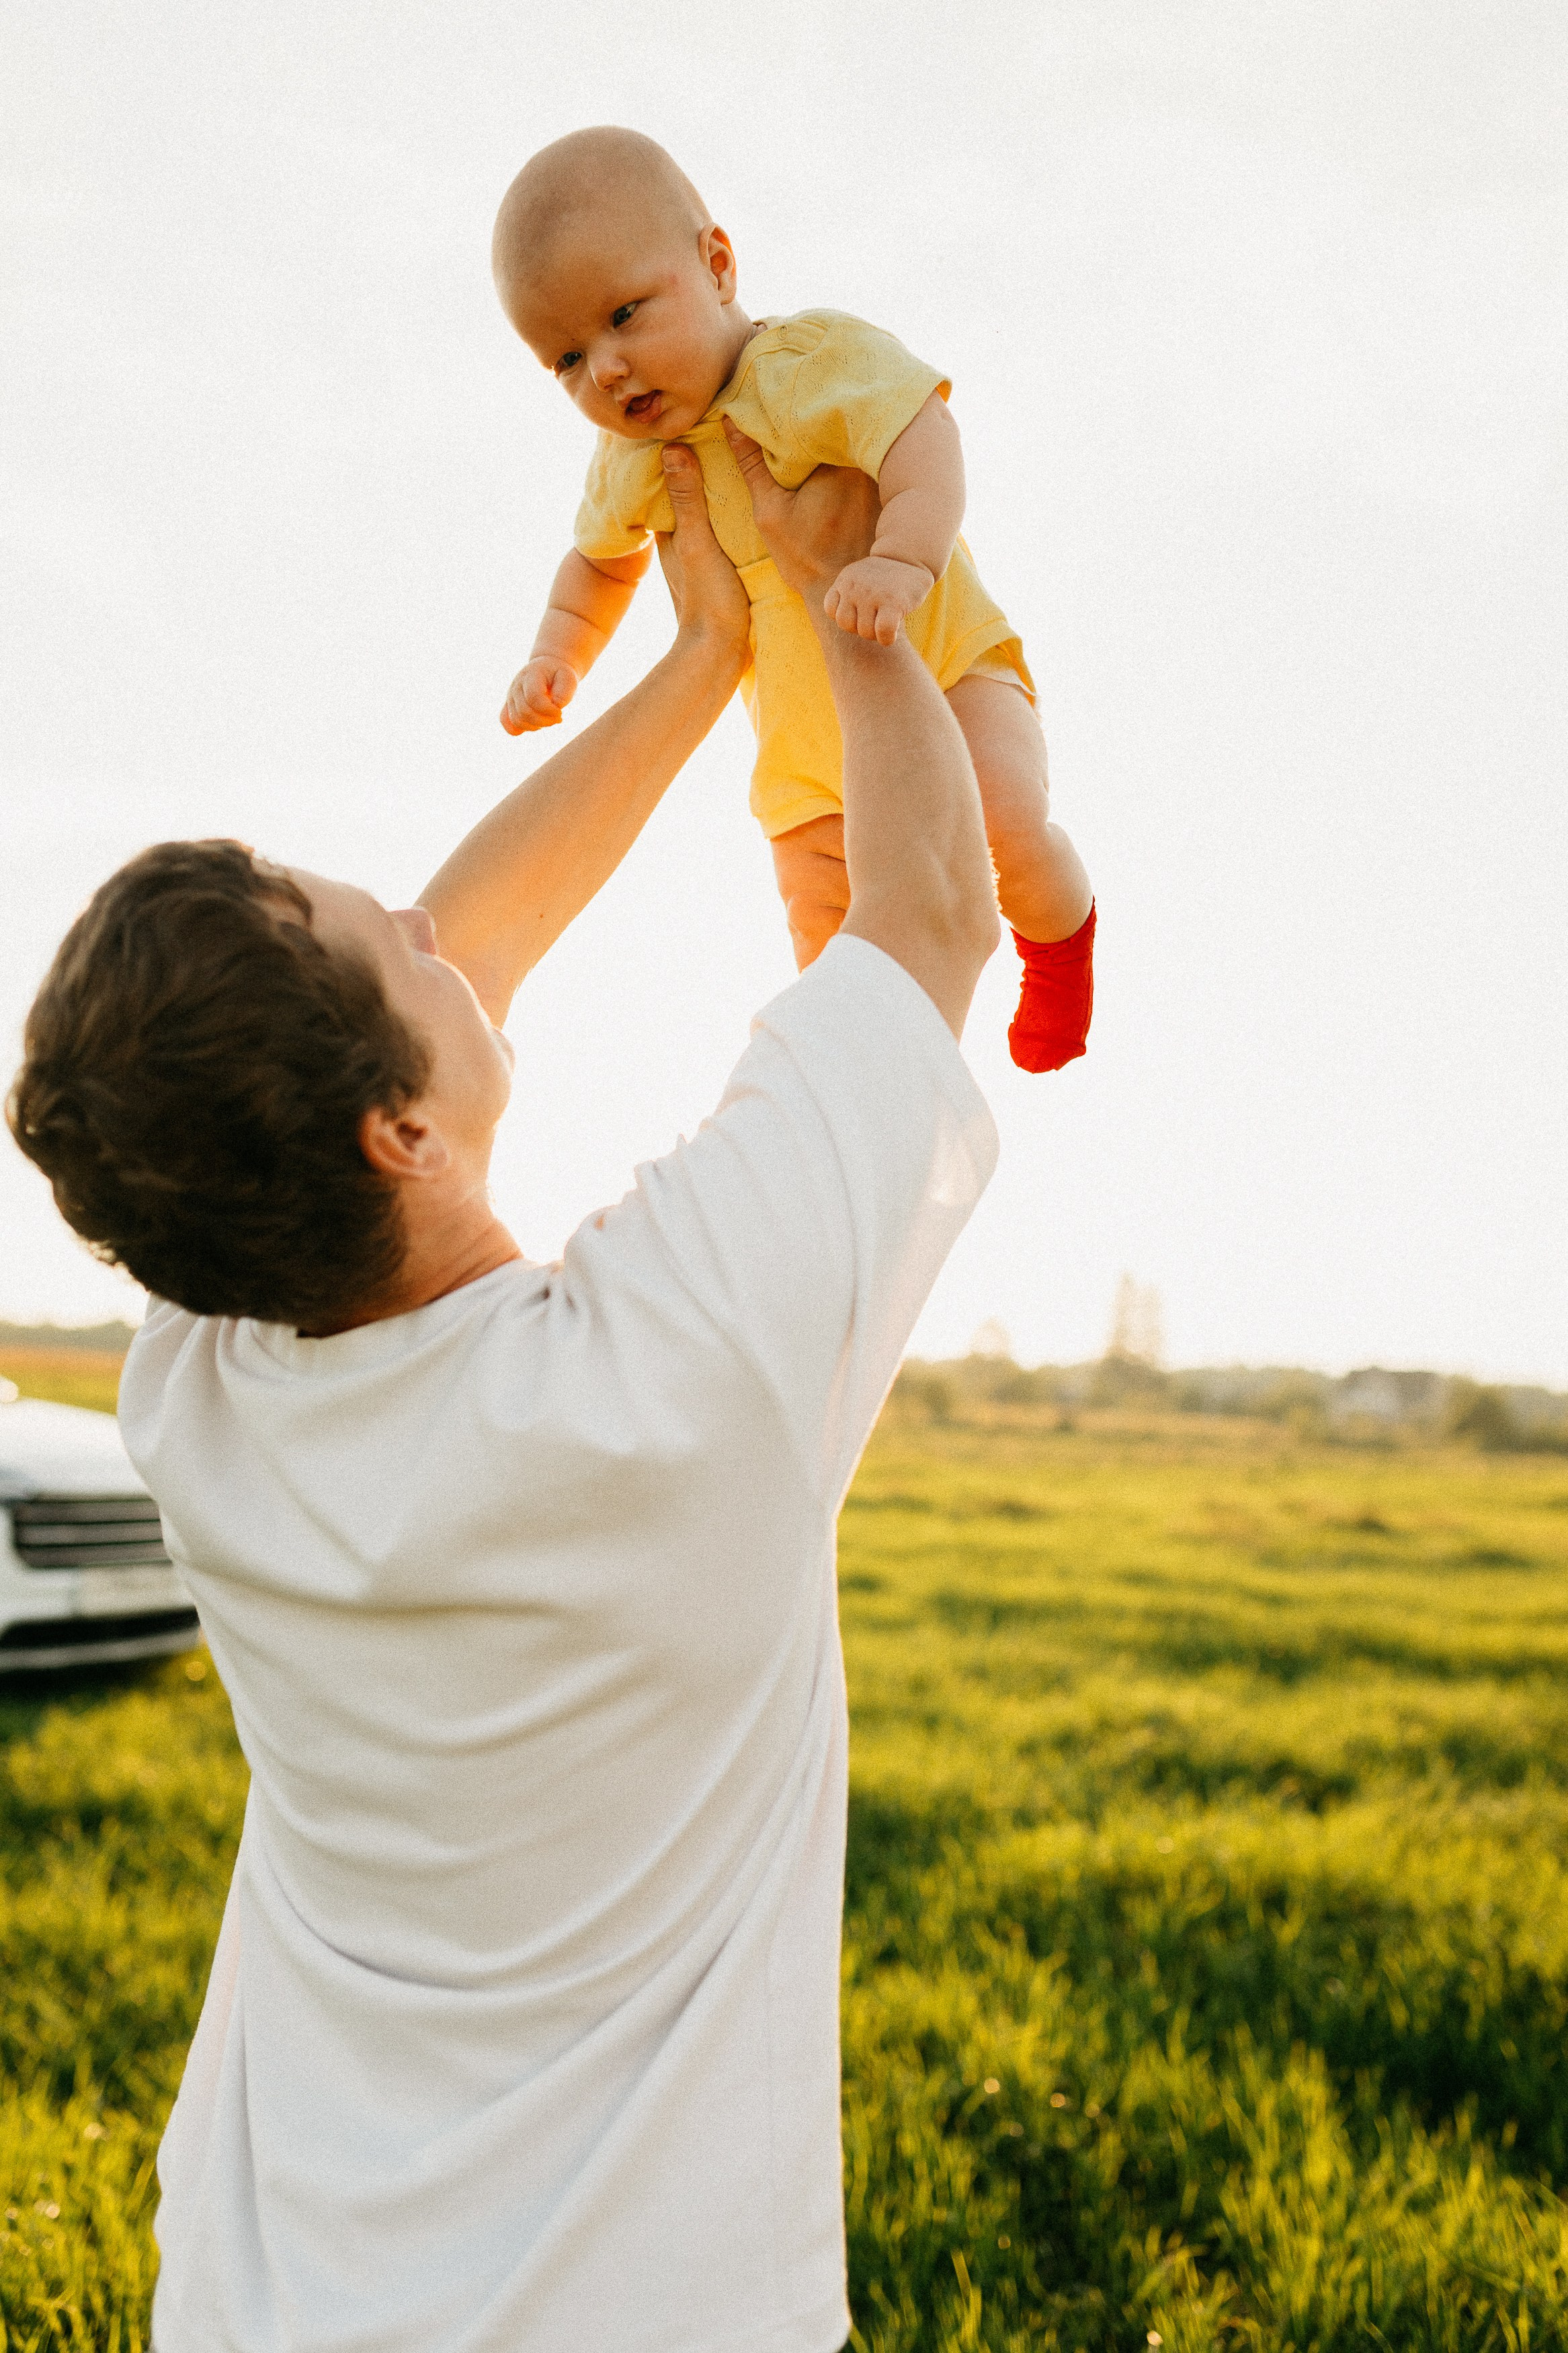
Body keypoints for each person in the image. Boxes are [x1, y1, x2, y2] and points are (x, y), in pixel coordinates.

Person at [8, 437, 1001, 2352]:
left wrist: (700, 654)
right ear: (396, 1132)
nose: (435, 924)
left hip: (276, 2290)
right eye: (393, 927)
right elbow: (932, 918)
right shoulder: (677, 1368)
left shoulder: (198, 1393)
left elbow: (434, 976)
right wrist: (831, 586)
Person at [492, 124, 1096, 1074]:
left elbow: (920, 434)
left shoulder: (811, 362)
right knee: (833, 949)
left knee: (1004, 833)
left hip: (943, 671)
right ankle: (875, 1089)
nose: (603, 370)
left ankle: (1060, 946)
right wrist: (555, 658)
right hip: (808, 764)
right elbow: (597, 568)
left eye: (623, 315)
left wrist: (901, 559)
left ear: (717, 265)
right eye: (564, 360)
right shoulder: (631, 466)